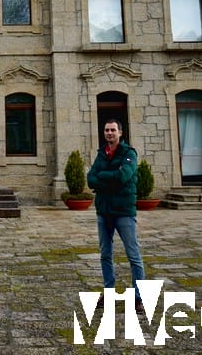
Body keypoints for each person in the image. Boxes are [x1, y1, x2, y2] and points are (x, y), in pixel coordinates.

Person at [86, 119, 146, 311]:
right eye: (106, 130)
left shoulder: (129, 154)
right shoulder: (101, 154)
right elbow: (90, 179)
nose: (109, 133)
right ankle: (109, 292)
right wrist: (107, 176)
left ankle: (138, 297)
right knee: (105, 254)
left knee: (133, 255)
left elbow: (123, 177)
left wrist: (102, 176)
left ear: (120, 132)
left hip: (123, 212)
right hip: (104, 211)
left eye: (113, 130)